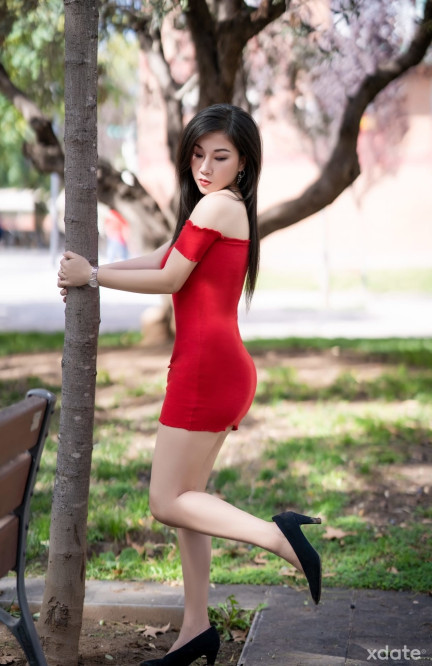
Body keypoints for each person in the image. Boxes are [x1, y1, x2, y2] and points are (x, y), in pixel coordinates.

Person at [58, 104, 322, 666]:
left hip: (207, 369)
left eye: (219, 157)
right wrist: (94, 270)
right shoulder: (221, 207)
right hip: (217, 365)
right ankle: (197, 628)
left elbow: (171, 277)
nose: (204, 166)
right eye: (197, 154)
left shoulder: (220, 204)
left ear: (243, 162)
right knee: (189, 502)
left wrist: (94, 277)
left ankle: (278, 536)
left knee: (166, 501)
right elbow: (166, 255)